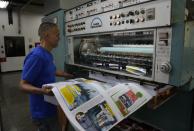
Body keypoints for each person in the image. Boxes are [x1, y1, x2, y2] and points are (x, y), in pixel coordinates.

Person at [20, 22, 73, 131]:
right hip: (42, 112)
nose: (59, 38)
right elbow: (22, 85)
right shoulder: (37, 56)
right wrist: (42, 91)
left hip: (50, 107)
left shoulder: (48, 54)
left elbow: (51, 70)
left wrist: (69, 75)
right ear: (47, 36)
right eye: (57, 34)